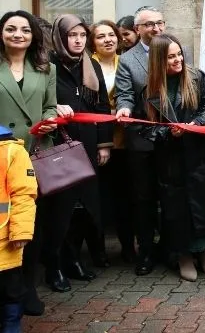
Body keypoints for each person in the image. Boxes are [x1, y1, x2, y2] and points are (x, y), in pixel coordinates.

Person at [141, 34, 205, 281]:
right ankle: (183, 256)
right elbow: (144, 128)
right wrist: (168, 132)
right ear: (159, 60)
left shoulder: (196, 77)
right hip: (170, 159)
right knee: (177, 211)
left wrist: (196, 124)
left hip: (198, 154)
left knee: (204, 206)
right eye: (171, 56)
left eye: (179, 54)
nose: (178, 59)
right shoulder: (148, 90)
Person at [47, 14, 112, 291]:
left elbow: (102, 108)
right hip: (56, 147)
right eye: (71, 35)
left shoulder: (92, 64)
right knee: (59, 209)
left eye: (82, 35)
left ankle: (73, 259)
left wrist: (104, 144)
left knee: (85, 207)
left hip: (87, 145)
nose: (77, 40)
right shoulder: (47, 65)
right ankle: (54, 266)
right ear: (60, 38)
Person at [0, 10, 59, 316]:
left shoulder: (45, 68)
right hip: (1, 156)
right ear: (2, 33)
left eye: (25, 29)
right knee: (3, 221)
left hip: (35, 153)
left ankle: (27, 286)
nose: (18, 34)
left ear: (34, 35)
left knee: (31, 224)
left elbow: (50, 106)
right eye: (11, 29)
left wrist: (50, 121)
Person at [115, 5, 166, 276]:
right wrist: (123, 107)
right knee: (143, 199)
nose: (156, 28)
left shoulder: (175, 50)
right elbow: (124, 94)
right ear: (138, 29)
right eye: (149, 24)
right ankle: (145, 252)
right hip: (142, 141)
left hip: (171, 139)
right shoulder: (127, 60)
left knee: (170, 196)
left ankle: (171, 249)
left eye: (159, 23)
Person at [89, 20, 135, 263]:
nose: (107, 40)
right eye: (100, 36)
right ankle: (99, 252)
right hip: (99, 140)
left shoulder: (126, 62)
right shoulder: (87, 65)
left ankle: (128, 247)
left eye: (111, 35)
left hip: (126, 140)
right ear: (92, 42)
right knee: (99, 196)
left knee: (125, 197)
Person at [0, 126, 37, 333]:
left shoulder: (11, 150)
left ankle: (11, 324)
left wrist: (21, 231)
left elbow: (24, 194)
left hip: (5, 239)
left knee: (10, 289)